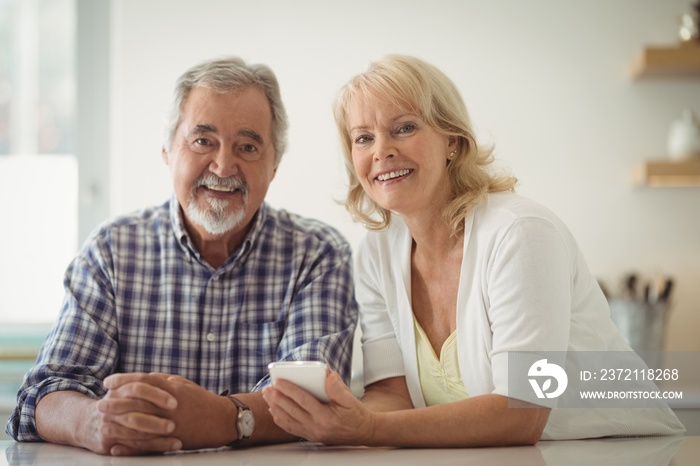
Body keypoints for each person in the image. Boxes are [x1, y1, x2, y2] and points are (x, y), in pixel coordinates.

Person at [262, 54, 685, 446]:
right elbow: (392, 393)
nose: (381, 151)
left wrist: (368, 427)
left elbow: (525, 410)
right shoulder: (376, 254)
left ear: (453, 140)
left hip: (620, 453)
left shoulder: (520, 234)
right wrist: (341, 420)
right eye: (363, 138)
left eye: (404, 128)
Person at [6, 56, 358, 456]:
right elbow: (42, 395)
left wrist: (224, 419)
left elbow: (312, 403)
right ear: (167, 150)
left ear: (274, 165)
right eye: (203, 140)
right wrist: (91, 420)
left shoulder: (319, 256)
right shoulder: (112, 251)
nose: (224, 166)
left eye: (247, 146)